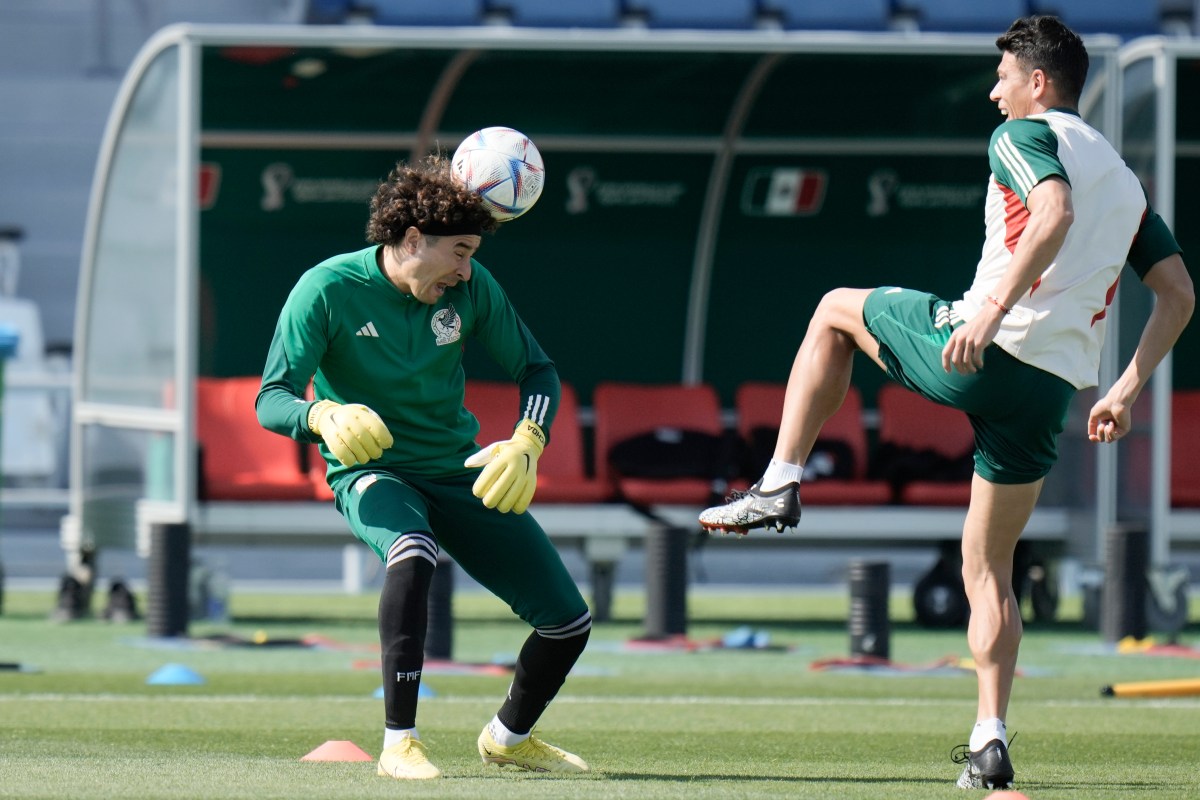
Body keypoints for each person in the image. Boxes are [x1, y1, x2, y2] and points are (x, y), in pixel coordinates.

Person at [699, 15, 1193, 791]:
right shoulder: (1127, 183)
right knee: (986, 564)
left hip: (988, 348)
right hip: (1049, 390)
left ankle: (779, 482)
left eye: (1003, 77)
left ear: (1038, 81)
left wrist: (992, 311)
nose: (993, 92)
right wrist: (1125, 388)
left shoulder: (1024, 137)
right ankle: (989, 742)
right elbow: (1178, 294)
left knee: (833, 308)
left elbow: (1054, 214)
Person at [256, 153, 592, 780]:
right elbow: (271, 398)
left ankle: (508, 738)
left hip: (458, 470)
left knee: (569, 621)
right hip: (373, 473)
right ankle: (398, 744)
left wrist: (527, 438)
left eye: (472, 254)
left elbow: (538, 370)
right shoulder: (326, 288)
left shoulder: (474, 288)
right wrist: (321, 417)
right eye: (460, 252)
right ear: (412, 240)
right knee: (412, 551)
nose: (467, 271)